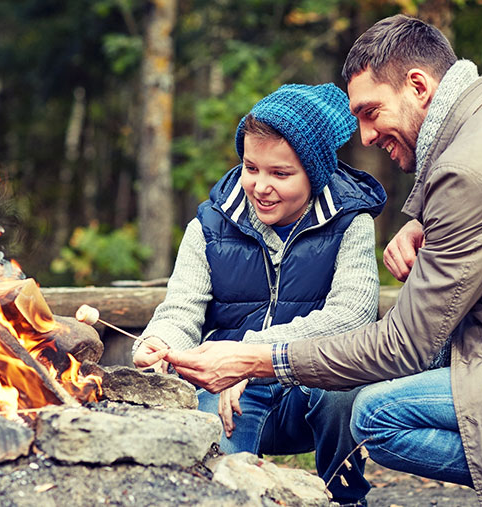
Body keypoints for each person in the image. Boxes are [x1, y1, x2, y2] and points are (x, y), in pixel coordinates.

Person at [162, 14, 482, 507]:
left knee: (378, 415)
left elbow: (402, 346)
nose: (363, 136)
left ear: (418, 85)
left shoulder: (469, 177)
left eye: (370, 113)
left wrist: (253, 359)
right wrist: (424, 219)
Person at [132, 83, 387, 505]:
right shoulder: (210, 225)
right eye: (252, 168)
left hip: (307, 393)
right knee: (225, 490)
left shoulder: (350, 223)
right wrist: (161, 341)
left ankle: (344, 497)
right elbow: (181, 309)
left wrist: (249, 355)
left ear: (315, 172)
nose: (261, 186)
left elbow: (352, 317)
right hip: (230, 395)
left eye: (280, 174)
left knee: (345, 389)